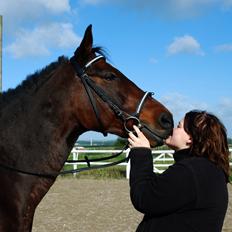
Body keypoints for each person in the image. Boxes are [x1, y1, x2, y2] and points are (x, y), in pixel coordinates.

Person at [128, 110, 230, 232]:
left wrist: (141, 153)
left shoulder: (190, 171)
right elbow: (164, 190)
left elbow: (144, 198)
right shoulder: (207, 170)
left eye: (178, 126)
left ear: (190, 138)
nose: (172, 129)